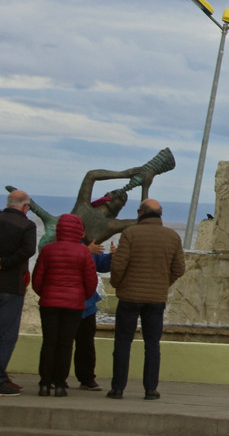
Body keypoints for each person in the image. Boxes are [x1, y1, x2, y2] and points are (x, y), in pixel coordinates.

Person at [6, 148, 175, 248]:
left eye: (121, 200)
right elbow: (91, 175)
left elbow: (143, 221)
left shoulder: (110, 224)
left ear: (118, 209)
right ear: (105, 197)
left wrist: (146, 186)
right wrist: (123, 174)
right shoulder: (86, 208)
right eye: (115, 193)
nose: (118, 195)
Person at [108, 199, 185, 400]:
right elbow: (179, 269)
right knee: (152, 344)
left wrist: (118, 284)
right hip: (155, 299)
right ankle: (150, 389)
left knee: (123, 343)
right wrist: (161, 284)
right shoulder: (173, 237)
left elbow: (118, 266)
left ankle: (118, 388)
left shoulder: (130, 234)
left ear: (141, 213)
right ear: (160, 214)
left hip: (129, 297)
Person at [31, 214, 96, 397]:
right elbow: (91, 282)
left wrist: (46, 294)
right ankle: (60, 385)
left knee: (49, 343)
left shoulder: (48, 250)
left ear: (59, 229)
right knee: (66, 344)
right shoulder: (84, 252)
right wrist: (81, 297)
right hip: (74, 305)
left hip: (49, 304)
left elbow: (37, 280)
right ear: (78, 230)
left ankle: (44, 384)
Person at [0, 190, 36, 396]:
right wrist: (5, 263)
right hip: (11, 286)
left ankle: (3, 376)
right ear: (25, 207)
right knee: (6, 334)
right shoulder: (27, 226)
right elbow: (28, 250)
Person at [73, 241, 113, 391]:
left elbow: (101, 265)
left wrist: (112, 257)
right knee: (60, 344)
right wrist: (85, 250)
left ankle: (87, 378)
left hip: (87, 305)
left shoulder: (89, 247)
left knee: (86, 344)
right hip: (68, 305)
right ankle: (55, 378)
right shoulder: (57, 246)